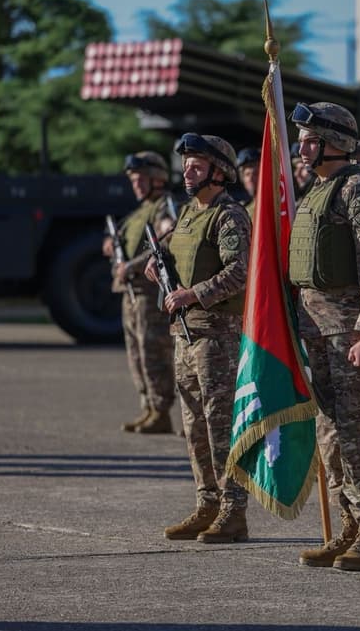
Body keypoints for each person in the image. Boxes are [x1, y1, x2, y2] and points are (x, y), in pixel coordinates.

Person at [286, 102, 360, 572]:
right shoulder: (314, 191)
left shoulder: (359, 188)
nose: (302, 146)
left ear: (336, 143)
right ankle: (349, 528)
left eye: (311, 138)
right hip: (317, 333)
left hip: (352, 332)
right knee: (331, 436)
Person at [149, 133, 253, 542]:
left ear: (219, 172)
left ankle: (233, 510)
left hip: (217, 336)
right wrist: (159, 272)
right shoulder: (189, 214)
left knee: (220, 423)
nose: (188, 173)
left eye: (196, 166)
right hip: (184, 334)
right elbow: (173, 256)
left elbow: (240, 270)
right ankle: (207, 502)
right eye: (186, 166)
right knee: (193, 424)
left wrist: (195, 293)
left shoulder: (229, 216)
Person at [102, 151, 175, 435]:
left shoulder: (162, 208)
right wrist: (110, 243)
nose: (136, 185)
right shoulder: (138, 212)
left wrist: (130, 266)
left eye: (142, 179)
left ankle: (161, 409)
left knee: (152, 351)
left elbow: (164, 242)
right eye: (134, 180)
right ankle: (148, 406)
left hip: (148, 291)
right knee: (137, 353)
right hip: (131, 293)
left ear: (158, 179)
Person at [236, 147, 261, 217]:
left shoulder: (277, 205)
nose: (250, 178)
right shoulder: (241, 209)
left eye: (255, 173)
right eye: (247, 174)